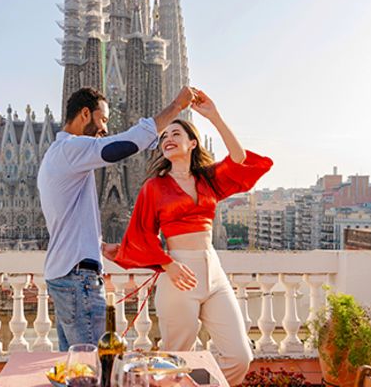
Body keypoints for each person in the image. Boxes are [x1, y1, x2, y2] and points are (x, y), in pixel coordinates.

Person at [110, 89, 273, 385]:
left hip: (214, 272)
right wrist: (168, 264)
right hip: (178, 274)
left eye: (176, 133)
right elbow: (141, 234)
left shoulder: (208, 180)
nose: (168, 138)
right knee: (175, 360)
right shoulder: (154, 188)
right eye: (164, 137)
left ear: (192, 143)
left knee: (239, 357)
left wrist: (215, 116)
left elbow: (240, 160)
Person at [37, 86, 196, 351]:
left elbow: (66, 218)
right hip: (78, 281)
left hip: (64, 274)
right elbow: (125, 145)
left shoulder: (58, 155)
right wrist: (176, 106)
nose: (105, 129)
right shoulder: (70, 149)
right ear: (85, 114)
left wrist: (96, 247)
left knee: (74, 367)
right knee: (94, 366)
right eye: (103, 120)